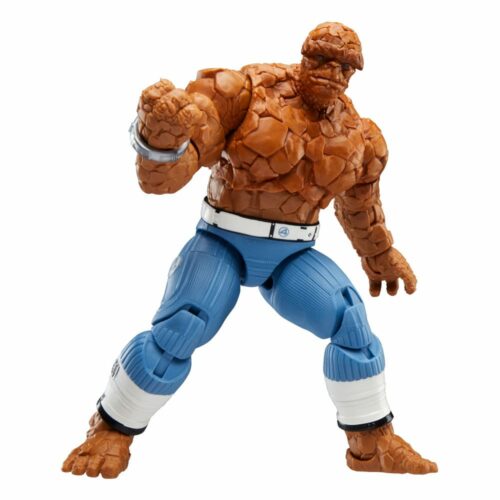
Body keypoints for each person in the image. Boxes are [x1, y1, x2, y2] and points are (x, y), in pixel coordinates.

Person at [63, 22, 437, 478]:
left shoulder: (360, 137)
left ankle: (372, 443)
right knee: (184, 325)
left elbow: (360, 206)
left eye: (344, 67)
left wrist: (379, 255)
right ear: (305, 56)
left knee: (350, 317)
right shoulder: (247, 92)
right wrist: (162, 138)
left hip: (293, 255)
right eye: (321, 59)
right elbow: (170, 170)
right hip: (222, 240)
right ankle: (110, 430)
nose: (331, 73)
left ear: (354, 73)